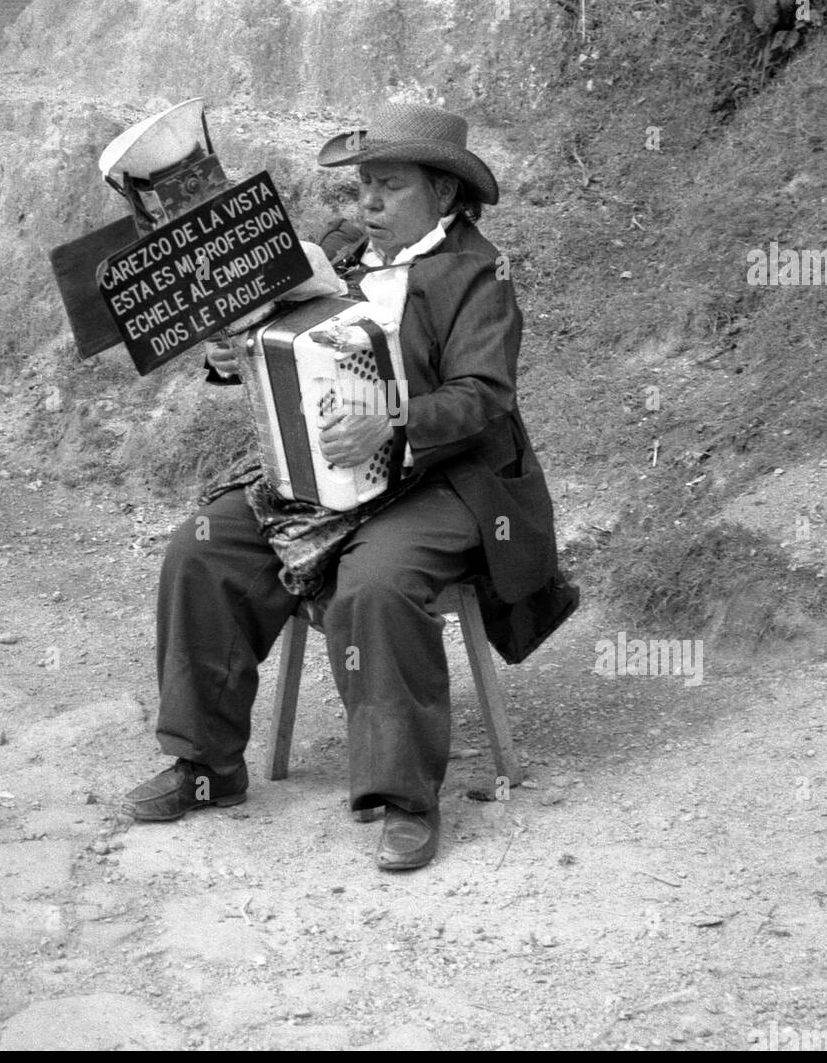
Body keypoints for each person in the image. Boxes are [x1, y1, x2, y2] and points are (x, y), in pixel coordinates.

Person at [123, 101, 577, 870]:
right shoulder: (334, 252)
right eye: (361, 185)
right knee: (200, 551)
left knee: (375, 584)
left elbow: (482, 397)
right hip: (322, 471)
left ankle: (404, 799)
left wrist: (392, 420)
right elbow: (277, 342)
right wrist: (235, 357)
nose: (365, 203)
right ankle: (207, 767)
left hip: (443, 478)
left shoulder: (479, 275)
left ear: (443, 194)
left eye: (388, 186)